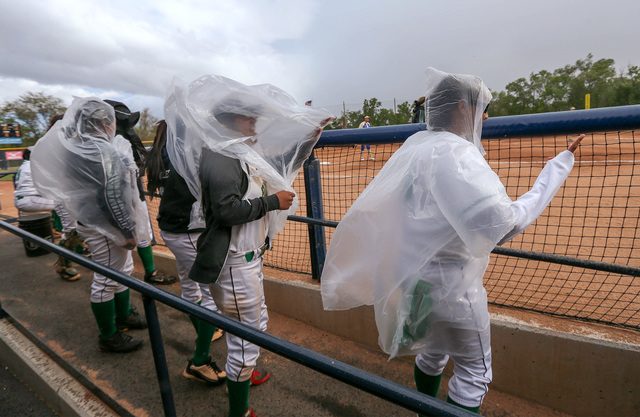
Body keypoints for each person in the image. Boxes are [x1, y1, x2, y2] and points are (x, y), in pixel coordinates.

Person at [320, 68, 584, 413]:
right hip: (453, 289)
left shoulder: (415, 146)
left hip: (415, 282)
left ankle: (424, 408)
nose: (486, 116)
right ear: (462, 107)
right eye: (482, 107)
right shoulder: (458, 156)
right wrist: (557, 168)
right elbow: (501, 224)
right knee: (475, 371)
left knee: (432, 353)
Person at [165, 75, 332, 417]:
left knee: (256, 325)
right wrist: (273, 202)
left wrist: (310, 133)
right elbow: (226, 210)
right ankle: (239, 410)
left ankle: (244, 373)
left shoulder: (238, 150)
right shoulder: (221, 156)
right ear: (229, 121)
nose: (256, 123)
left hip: (248, 260)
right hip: (235, 262)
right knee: (244, 340)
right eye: (249, 117)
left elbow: (280, 162)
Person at [31, 97, 150, 353]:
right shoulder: (102, 150)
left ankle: (123, 315)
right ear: (106, 123)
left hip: (92, 220)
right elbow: (112, 196)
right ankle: (109, 335)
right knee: (107, 279)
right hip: (106, 226)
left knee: (122, 271)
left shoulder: (76, 146)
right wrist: (127, 231)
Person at [144, 120, 225, 385]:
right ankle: (200, 361)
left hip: (172, 228)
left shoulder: (162, 150)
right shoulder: (184, 152)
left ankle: (206, 332)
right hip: (187, 231)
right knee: (209, 295)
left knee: (191, 288)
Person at [105, 100, 176, 286]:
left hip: (135, 195)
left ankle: (150, 271)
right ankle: (144, 275)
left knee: (143, 236)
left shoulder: (125, 136)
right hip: (118, 200)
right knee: (117, 262)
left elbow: (139, 162)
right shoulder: (104, 141)